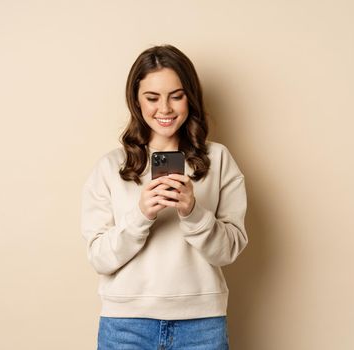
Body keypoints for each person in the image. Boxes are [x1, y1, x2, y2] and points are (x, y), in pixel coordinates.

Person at [81, 44, 248, 349]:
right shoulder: (110, 167)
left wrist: (193, 212)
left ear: (190, 96)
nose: (165, 109)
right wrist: (141, 215)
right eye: (152, 97)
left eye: (176, 96)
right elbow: (99, 258)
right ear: (136, 100)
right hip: (125, 326)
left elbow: (229, 251)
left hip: (202, 325)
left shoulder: (219, 159)